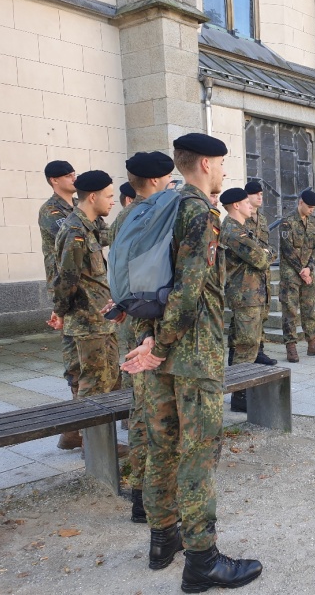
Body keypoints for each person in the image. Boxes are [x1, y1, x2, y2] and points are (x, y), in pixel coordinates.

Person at [121, 133, 263, 591]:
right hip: (191, 353)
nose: (223, 171)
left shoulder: (162, 205)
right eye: (221, 163)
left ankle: (163, 539)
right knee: (198, 453)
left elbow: (147, 282)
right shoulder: (200, 211)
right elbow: (188, 289)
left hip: (159, 352)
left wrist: (149, 342)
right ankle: (202, 560)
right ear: (204, 163)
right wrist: (161, 345)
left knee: (162, 445)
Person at [111, 152, 175, 524]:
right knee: (147, 413)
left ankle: (141, 495)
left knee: (141, 411)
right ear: (153, 182)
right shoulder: (149, 216)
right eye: (167, 178)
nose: (171, 184)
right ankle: (145, 497)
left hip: (132, 317)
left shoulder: (126, 217)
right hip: (146, 324)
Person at [51, 170, 126, 455]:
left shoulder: (91, 226)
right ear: (93, 197)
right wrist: (60, 312)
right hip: (87, 322)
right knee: (94, 385)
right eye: (109, 196)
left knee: (102, 379)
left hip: (97, 319)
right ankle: (96, 450)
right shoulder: (75, 232)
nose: (112, 201)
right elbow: (66, 280)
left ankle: (84, 439)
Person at [38, 160, 83, 450]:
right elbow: (77, 238)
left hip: (85, 287)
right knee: (76, 357)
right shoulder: (51, 211)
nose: (74, 177)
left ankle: (74, 431)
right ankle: (76, 431)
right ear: (54, 180)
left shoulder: (78, 205)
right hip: (66, 289)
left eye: (74, 173)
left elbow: (99, 233)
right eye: (68, 175)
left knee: (83, 358)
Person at [220, 185, 274, 413]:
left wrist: (265, 253)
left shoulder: (240, 228)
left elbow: (263, 253)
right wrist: (267, 254)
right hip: (246, 296)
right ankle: (240, 396)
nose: (250, 206)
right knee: (246, 347)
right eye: (246, 203)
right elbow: (261, 258)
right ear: (236, 206)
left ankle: (242, 392)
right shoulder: (233, 231)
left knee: (245, 345)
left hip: (251, 294)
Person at [278, 188, 315, 362]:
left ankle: (313, 343)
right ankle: (291, 346)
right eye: (309, 207)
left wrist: (309, 267)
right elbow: (287, 250)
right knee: (290, 310)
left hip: (308, 272)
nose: (311, 210)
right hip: (291, 273)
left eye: (314, 208)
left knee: (309, 308)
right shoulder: (287, 222)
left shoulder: (314, 222)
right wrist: (302, 270)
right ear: (300, 202)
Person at [243, 181, 277, 367]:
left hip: (264, 274)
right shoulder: (241, 218)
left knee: (262, 314)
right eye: (256, 194)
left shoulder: (262, 219)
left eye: (261, 194)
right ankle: (242, 353)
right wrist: (263, 254)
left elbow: (269, 248)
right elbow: (251, 251)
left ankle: (259, 351)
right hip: (248, 278)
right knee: (247, 320)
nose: (260, 197)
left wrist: (267, 255)